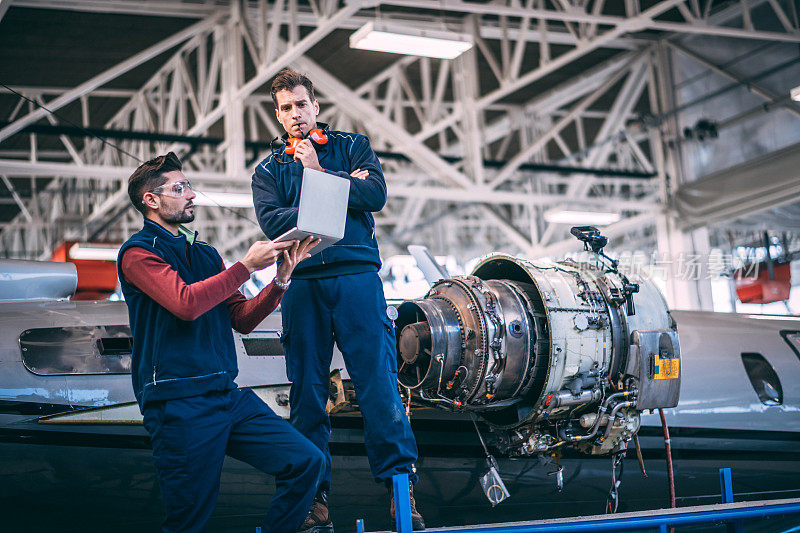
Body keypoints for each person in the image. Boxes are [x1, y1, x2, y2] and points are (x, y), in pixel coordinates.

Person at [251, 68, 425, 532]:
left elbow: (376, 194)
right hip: (303, 283)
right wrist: (342, 189)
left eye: (302, 105)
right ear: (277, 113)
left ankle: (399, 490)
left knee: (378, 386)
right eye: (286, 108)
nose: (295, 115)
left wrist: (319, 173)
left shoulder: (354, 146)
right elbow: (273, 223)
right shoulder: (267, 171)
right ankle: (314, 500)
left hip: (357, 280)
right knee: (306, 394)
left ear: (316, 106)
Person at [117, 151, 323, 533]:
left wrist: (281, 279)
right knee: (188, 521)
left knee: (306, 461)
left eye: (189, 185)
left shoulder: (206, 253)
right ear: (151, 200)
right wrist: (245, 266)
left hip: (226, 395)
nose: (191, 194)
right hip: (178, 403)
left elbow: (241, 319)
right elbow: (186, 304)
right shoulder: (138, 254)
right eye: (179, 188)